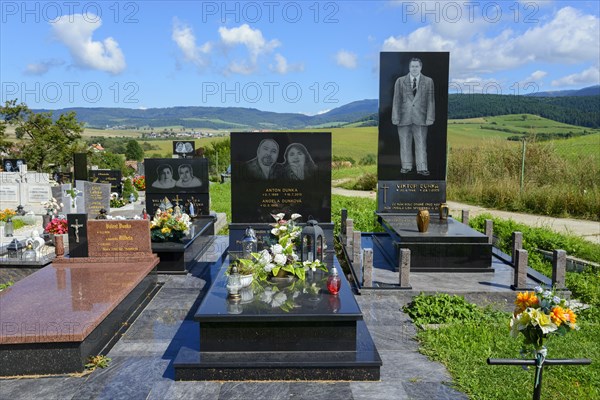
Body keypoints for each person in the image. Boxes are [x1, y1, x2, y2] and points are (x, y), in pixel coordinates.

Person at [392, 57, 435, 176]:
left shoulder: (428, 81)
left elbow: (430, 101)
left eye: (416, 66)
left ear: (421, 67)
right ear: (409, 67)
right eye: (412, 66)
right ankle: (406, 166)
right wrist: (395, 117)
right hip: (403, 118)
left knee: (421, 143)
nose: (414, 68)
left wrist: (430, 117)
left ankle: (422, 168)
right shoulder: (400, 81)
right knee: (404, 143)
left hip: (421, 118)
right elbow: (396, 100)